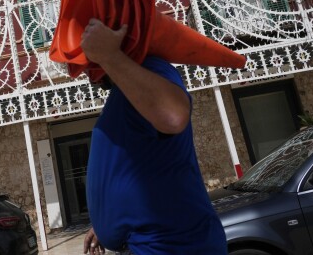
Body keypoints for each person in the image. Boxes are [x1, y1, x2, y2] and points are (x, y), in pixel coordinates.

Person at [81, 18, 227, 255]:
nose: (85, 71)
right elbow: (138, 168)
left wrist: (110, 55)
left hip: (172, 247)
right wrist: (106, 220)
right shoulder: (125, 93)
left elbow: (174, 115)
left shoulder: (152, 67)